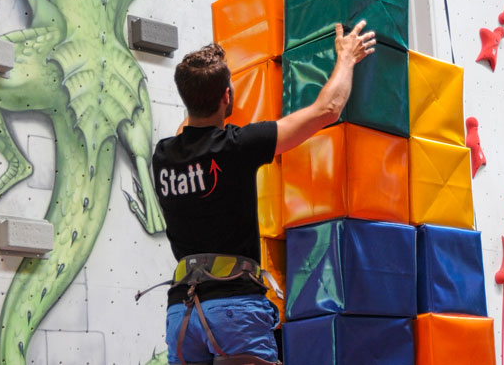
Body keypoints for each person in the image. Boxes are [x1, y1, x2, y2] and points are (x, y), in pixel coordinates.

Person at [151, 20, 376, 365]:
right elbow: (327, 110)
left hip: (182, 314)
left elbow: (194, 121)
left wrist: (214, 89)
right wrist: (346, 58)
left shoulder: (163, 156)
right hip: (233, 309)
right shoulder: (237, 147)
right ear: (227, 96)